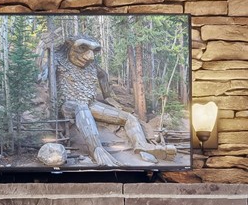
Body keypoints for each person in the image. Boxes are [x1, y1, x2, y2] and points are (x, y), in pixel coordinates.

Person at [53, 35, 176, 167]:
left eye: (93, 51)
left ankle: (141, 145)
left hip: (90, 102)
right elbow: (41, 76)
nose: (90, 57)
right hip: (68, 104)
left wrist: (108, 97)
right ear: (69, 47)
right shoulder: (56, 60)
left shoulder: (91, 65)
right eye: (82, 48)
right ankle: (97, 151)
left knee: (128, 117)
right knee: (81, 108)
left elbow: (103, 75)